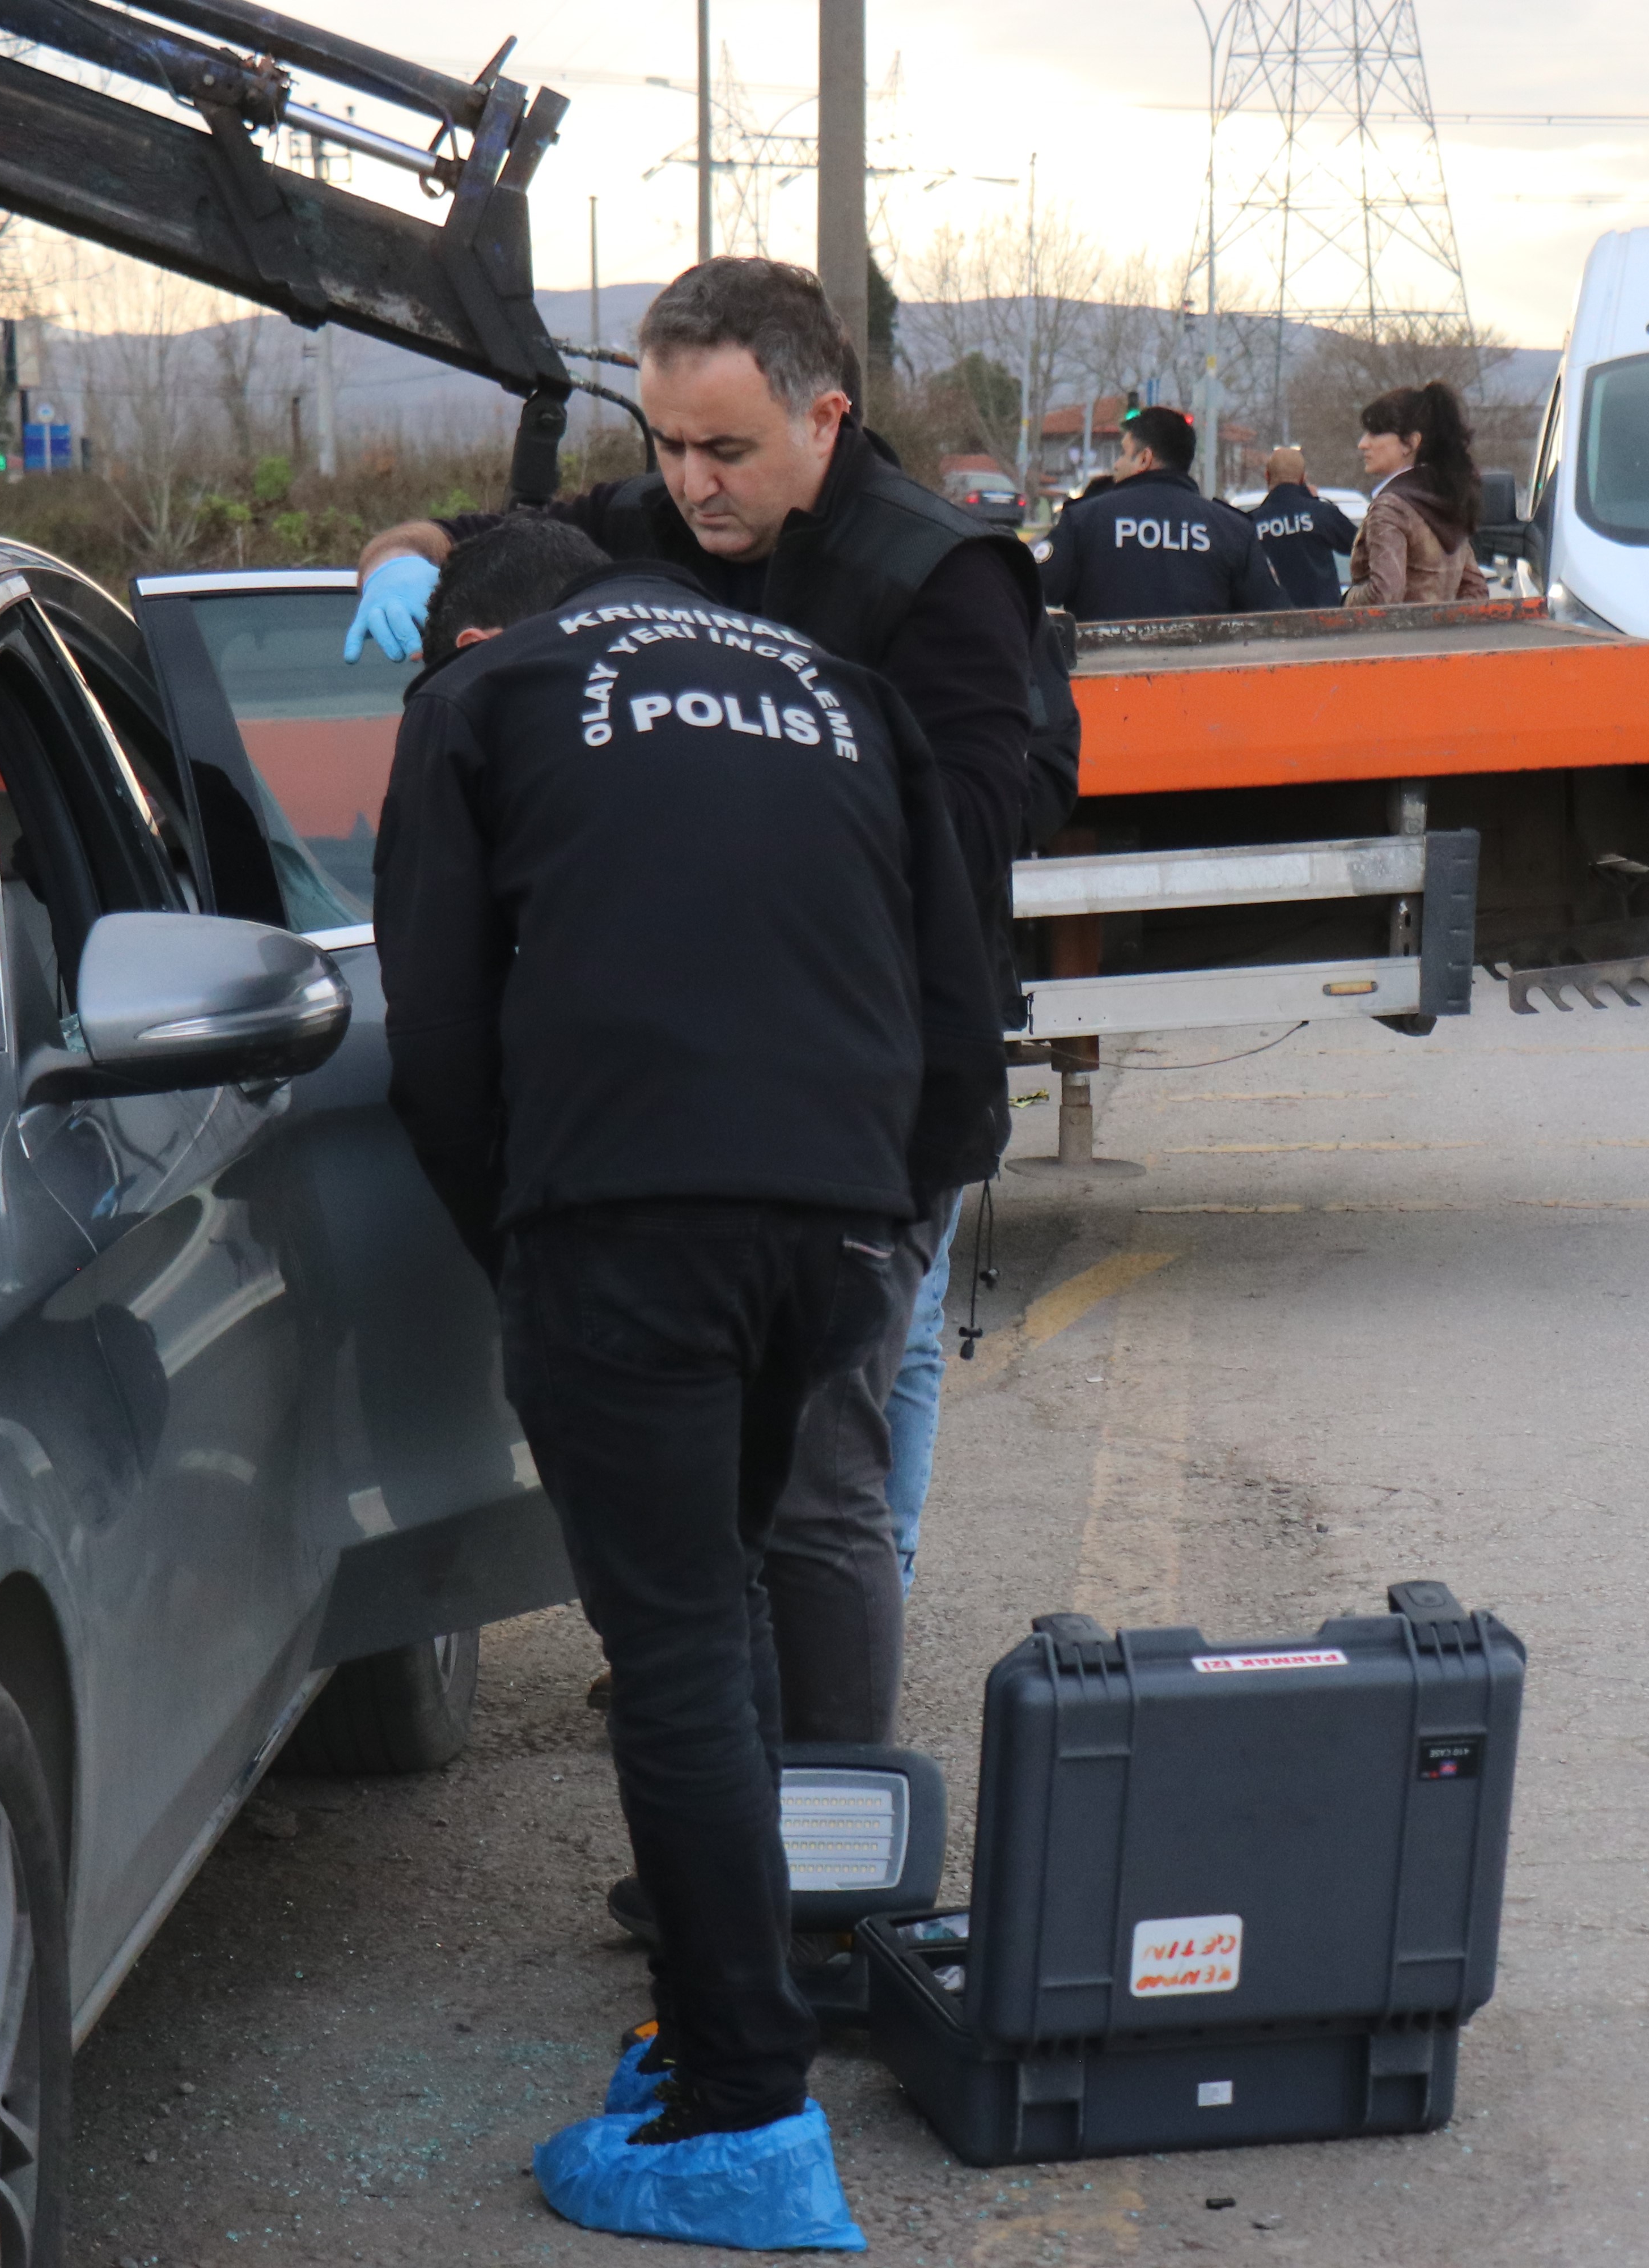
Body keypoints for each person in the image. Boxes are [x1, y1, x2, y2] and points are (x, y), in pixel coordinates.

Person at [375, 515, 1006, 2248]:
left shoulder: (483, 697)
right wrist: (879, 1222)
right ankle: (731, 2023)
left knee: (671, 1646)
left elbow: (436, 1037)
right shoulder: (844, 694)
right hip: (835, 1220)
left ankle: (744, 2111)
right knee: (717, 1606)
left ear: (473, 627)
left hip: (625, 1220)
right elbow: (963, 1021)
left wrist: (525, 1247)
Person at [351, 258, 1055, 1761]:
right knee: (730, 1478)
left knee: (819, 1472)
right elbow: (485, 538)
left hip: (861, 1076)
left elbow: (964, 858)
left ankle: (833, 1809)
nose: (689, 483)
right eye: (666, 446)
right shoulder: (666, 519)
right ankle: (737, 1755)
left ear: (826, 417)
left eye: (724, 449)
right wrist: (399, 556)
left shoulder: (938, 580)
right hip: (682, 1077)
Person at [1036, 405, 1287, 623]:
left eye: (1123, 453)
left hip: (1102, 664)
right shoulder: (1233, 531)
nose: (1116, 464)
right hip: (1201, 665)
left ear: (1145, 459)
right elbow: (1274, 621)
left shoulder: (1085, 521)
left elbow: (1029, 596)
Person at [1347, 379, 1489, 607]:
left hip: (1393, 632)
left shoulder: (1391, 507)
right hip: (1442, 631)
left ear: (1411, 443)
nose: (1363, 444)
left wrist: (1348, 599)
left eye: (1375, 433)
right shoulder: (1447, 498)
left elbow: (1384, 596)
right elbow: (1476, 590)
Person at [1249, 445, 1356, 610]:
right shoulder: (1322, 513)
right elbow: (1362, 548)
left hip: (1271, 620)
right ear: (1303, 479)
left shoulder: (1250, 523)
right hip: (1324, 619)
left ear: (1267, 476)